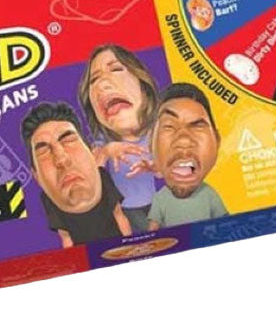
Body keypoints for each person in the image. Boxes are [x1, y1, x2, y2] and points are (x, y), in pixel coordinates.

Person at [21, 102, 131, 247]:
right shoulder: (48, 200)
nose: (61, 159)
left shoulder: (103, 177)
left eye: (68, 140)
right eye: (43, 151)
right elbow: (65, 237)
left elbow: (119, 215)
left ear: (93, 153)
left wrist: (129, 246)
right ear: (36, 177)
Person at [77, 44, 159, 233]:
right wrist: (107, 150)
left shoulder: (157, 132)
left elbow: (165, 172)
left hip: (153, 203)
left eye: (115, 69)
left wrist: (153, 167)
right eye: (94, 80)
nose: (102, 84)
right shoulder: (103, 139)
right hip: (124, 209)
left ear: (143, 85)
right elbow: (91, 169)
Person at [147, 83, 227, 228]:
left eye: (198, 126)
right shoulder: (160, 198)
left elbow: (227, 224)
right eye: (169, 126)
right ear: (150, 143)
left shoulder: (210, 195)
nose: (184, 140)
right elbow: (153, 229)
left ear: (217, 141)